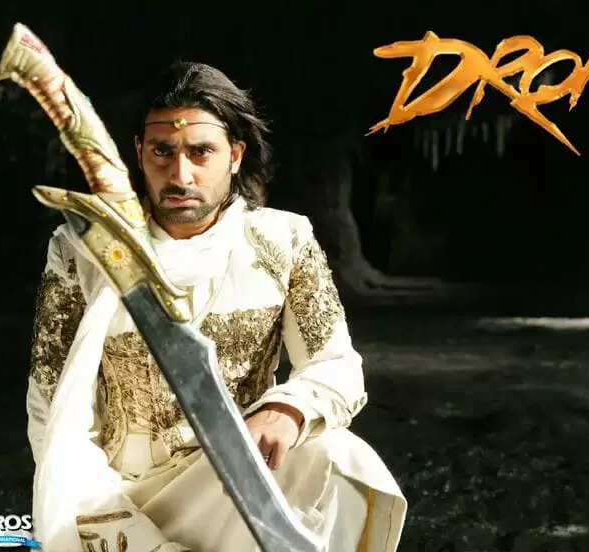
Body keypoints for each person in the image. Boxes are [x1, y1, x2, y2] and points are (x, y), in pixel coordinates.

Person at [26, 61, 406, 552]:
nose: (180, 174)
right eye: (163, 151)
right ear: (139, 152)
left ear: (235, 155)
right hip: (122, 496)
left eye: (200, 151)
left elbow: (337, 365)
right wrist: (114, 526)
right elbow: (51, 407)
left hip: (239, 483)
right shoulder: (84, 250)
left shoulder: (283, 240)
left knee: (338, 456)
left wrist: (287, 411)